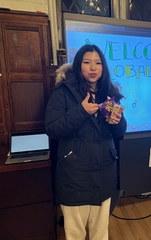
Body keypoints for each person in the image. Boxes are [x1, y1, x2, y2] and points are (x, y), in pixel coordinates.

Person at [45, 44, 127, 240]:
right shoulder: (63, 92)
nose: (93, 68)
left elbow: (120, 131)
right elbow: (52, 129)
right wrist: (81, 111)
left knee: (100, 233)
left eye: (98, 63)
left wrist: (117, 121)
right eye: (87, 62)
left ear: (103, 67)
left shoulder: (109, 93)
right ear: (78, 66)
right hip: (74, 177)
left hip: (104, 173)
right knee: (75, 234)